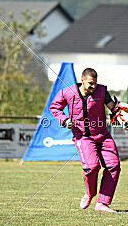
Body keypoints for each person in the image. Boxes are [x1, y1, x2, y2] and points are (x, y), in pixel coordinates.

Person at [50, 68, 121, 212]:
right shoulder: (67, 92)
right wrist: (64, 120)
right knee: (92, 166)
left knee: (114, 166)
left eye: (95, 83)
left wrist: (122, 112)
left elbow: (112, 108)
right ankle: (90, 193)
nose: (93, 87)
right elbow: (55, 107)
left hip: (103, 135)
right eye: (90, 83)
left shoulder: (101, 91)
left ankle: (102, 203)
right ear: (82, 80)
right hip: (83, 136)